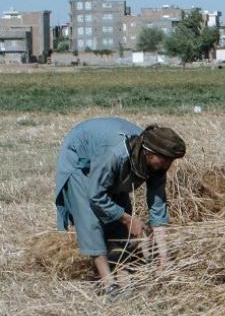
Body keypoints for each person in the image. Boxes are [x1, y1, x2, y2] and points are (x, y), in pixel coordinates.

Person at [54, 117, 187, 291]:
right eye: (164, 160)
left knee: (121, 213)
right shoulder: (116, 154)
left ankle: (122, 273)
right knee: (90, 218)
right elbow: (96, 196)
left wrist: (164, 258)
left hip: (104, 162)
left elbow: (158, 207)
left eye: (171, 161)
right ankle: (109, 284)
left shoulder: (156, 163)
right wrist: (127, 220)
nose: (167, 165)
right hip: (81, 158)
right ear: (148, 153)